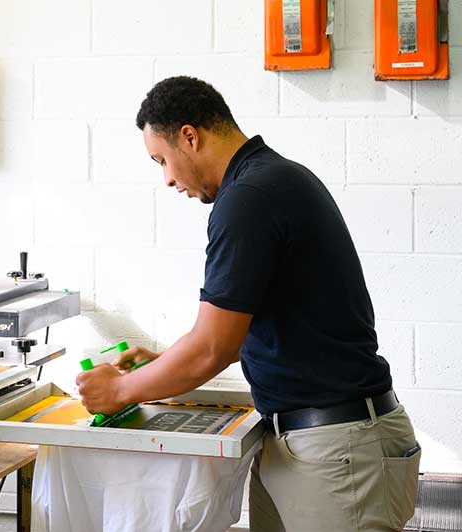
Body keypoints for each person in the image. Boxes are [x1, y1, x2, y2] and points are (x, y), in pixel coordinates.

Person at [76, 76, 421, 531]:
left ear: (190, 136)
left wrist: (119, 391)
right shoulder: (271, 179)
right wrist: (162, 363)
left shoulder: (249, 198)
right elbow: (237, 332)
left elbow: (211, 348)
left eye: (162, 160)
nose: (167, 179)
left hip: (337, 451)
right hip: (300, 444)